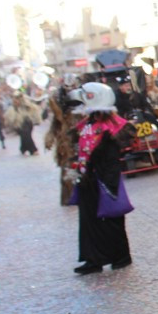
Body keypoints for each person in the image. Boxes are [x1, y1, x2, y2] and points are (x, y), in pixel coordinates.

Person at [67, 83, 134, 274]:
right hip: (87, 178)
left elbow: (112, 154)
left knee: (111, 220)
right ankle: (93, 259)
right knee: (88, 220)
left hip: (105, 179)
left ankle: (120, 256)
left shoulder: (112, 126)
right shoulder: (87, 123)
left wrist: (105, 176)